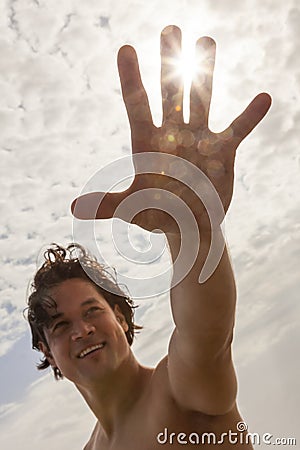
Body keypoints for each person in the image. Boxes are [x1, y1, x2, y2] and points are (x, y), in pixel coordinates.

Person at [27, 25, 271, 449]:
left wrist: (190, 225)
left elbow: (208, 334)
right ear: (49, 355)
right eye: (60, 326)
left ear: (122, 318)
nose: (81, 329)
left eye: (92, 310)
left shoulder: (180, 392)